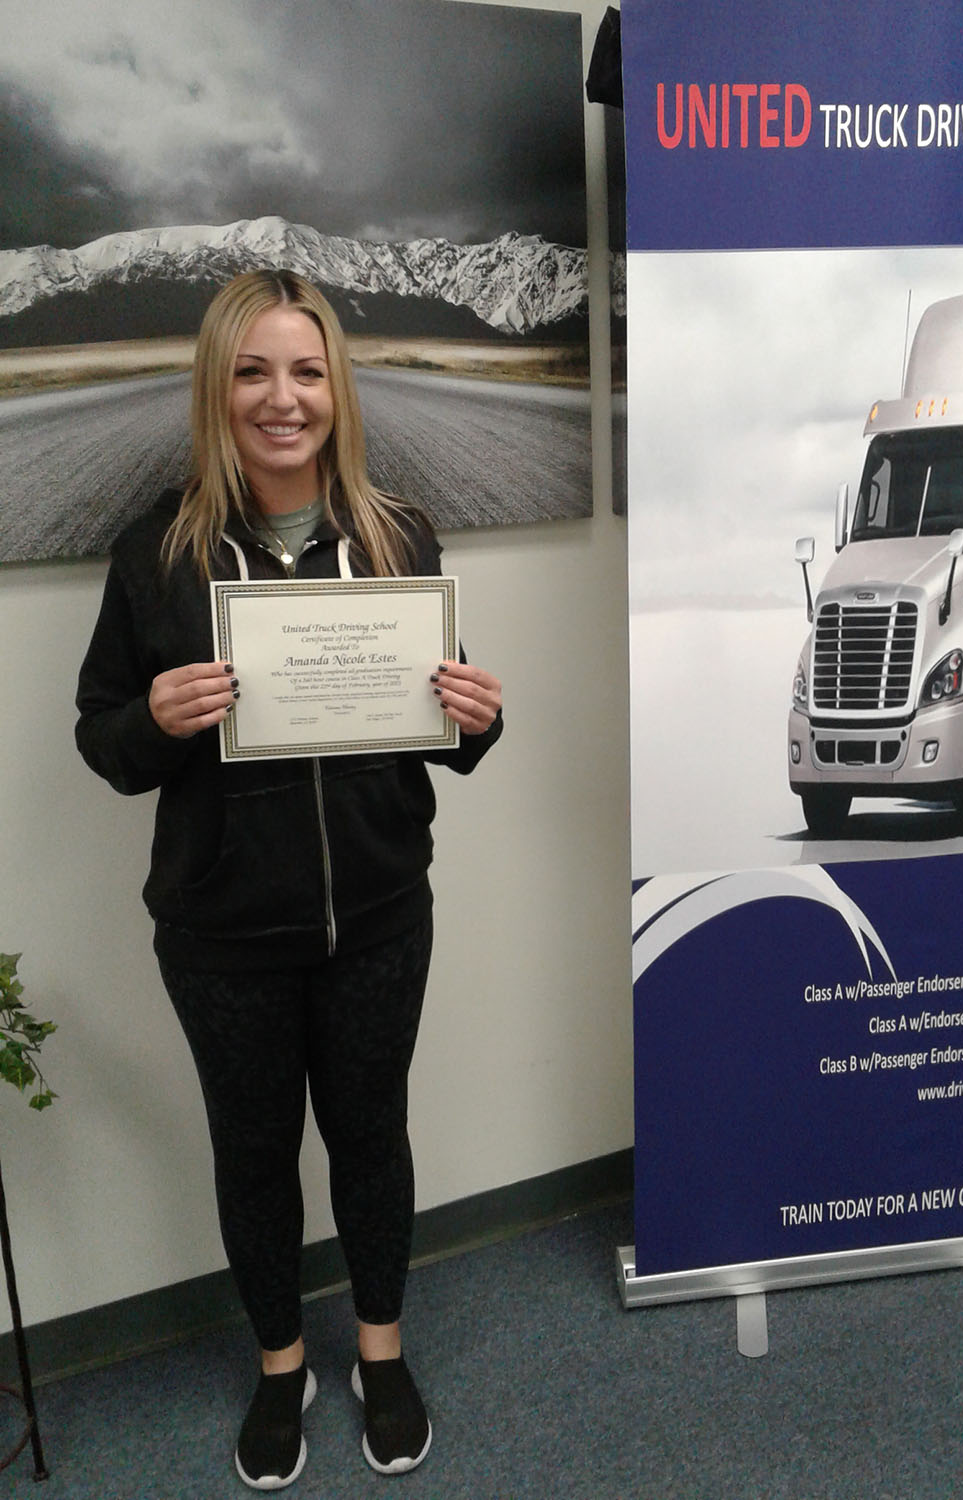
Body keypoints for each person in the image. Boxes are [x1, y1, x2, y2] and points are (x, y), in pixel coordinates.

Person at [75, 269, 502, 1489]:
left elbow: (440, 725)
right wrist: (153, 721)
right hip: (221, 933)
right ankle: (280, 1366)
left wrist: (477, 717)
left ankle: (380, 1352)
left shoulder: (398, 535)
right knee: (254, 1154)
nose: (282, 398)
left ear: (336, 390)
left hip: (380, 914)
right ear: (219, 388)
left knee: (372, 1139)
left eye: (307, 372)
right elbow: (104, 739)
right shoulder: (156, 553)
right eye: (253, 372)